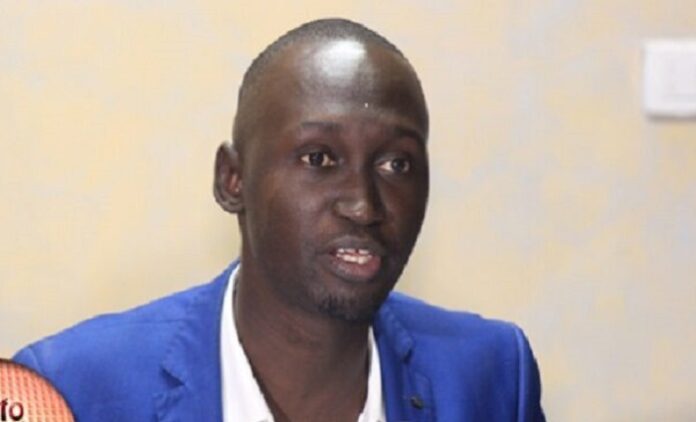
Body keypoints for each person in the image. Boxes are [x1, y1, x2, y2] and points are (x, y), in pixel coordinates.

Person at [13, 18, 545, 421]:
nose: (364, 205)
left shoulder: (492, 375)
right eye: (319, 158)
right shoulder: (70, 389)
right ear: (232, 180)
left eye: (396, 164)